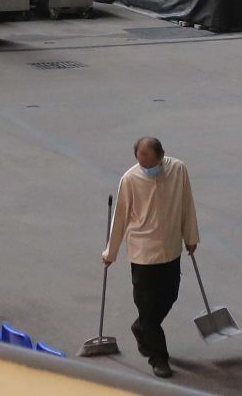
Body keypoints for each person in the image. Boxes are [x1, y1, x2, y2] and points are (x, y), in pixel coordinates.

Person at [101, 136, 199, 380]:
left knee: (170, 296)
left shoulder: (178, 170)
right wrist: (110, 253)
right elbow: (120, 218)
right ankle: (159, 358)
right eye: (141, 163)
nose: (146, 169)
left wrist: (190, 236)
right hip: (142, 254)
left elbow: (187, 203)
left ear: (162, 155)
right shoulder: (130, 179)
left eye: (150, 163)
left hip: (170, 250)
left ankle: (141, 327)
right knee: (147, 309)